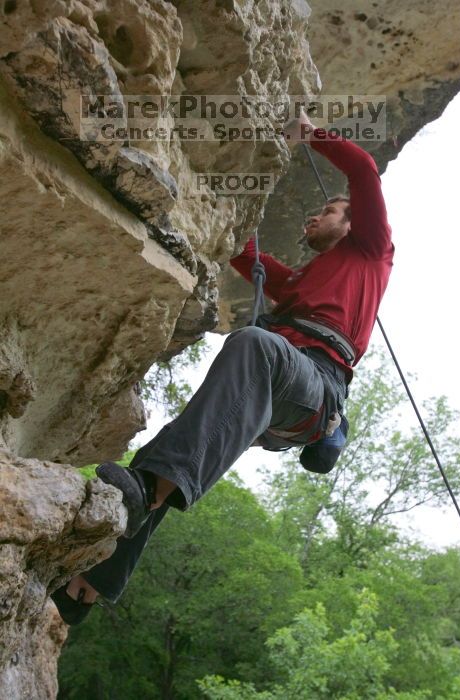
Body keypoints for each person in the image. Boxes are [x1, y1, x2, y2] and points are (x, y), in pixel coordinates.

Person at [51, 110, 394, 624]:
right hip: (283, 389)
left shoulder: (372, 251)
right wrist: (216, 200)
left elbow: (363, 171)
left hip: (316, 388)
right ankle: (89, 585)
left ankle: (145, 493)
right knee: (179, 445)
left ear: (352, 223)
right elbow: (243, 252)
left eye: (327, 209)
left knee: (253, 344)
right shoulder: (302, 281)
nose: (313, 215)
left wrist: (308, 132)